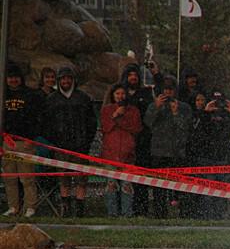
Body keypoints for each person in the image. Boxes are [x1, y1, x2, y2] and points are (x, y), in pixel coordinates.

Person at [41, 66, 96, 217]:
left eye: (68, 78)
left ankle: (79, 210)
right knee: (63, 178)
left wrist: (86, 142)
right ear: (59, 81)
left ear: (73, 80)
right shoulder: (51, 100)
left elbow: (92, 123)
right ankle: (65, 208)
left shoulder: (83, 98)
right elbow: (46, 124)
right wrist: (54, 142)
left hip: (81, 147)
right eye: (63, 78)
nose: (66, 81)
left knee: (81, 179)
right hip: (60, 147)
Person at [186, 91, 230, 218]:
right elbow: (197, 130)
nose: (218, 104)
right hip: (206, 156)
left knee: (221, 189)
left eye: (220, 101)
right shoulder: (203, 114)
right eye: (215, 101)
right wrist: (206, 112)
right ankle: (206, 215)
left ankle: (219, 214)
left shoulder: (227, 115)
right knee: (207, 189)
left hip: (222, 157)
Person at [143, 75, 192, 218]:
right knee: (159, 186)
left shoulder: (184, 107)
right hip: (159, 152)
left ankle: (182, 213)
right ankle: (159, 213)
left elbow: (186, 128)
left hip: (178, 152)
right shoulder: (154, 105)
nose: (168, 92)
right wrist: (156, 107)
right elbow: (147, 123)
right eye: (165, 89)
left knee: (180, 186)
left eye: (171, 89)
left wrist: (176, 113)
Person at [2, 63, 42, 218]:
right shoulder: (3, 94)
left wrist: (31, 138)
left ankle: (30, 207)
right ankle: (13, 206)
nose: (13, 80)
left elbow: (36, 119)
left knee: (27, 177)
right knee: (9, 177)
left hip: (25, 142)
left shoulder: (30, 95)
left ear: (21, 79)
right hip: (7, 142)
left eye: (16, 77)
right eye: (10, 77)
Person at [119, 63, 157, 216]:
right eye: (130, 75)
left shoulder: (146, 93)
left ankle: (141, 209)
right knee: (122, 176)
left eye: (135, 75)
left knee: (141, 176)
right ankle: (122, 210)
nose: (133, 78)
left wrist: (157, 74)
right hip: (123, 140)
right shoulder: (120, 93)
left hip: (143, 140)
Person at [100, 84, 142, 217]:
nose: (120, 96)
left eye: (122, 93)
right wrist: (115, 115)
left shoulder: (134, 110)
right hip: (110, 154)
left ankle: (127, 214)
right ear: (112, 95)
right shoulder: (106, 109)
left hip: (128, 155)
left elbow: (136, 128)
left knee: (127, 186)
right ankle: (112, 214)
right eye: (117, 93)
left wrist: (121, 117)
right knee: (111, 185)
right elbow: (105, 128)